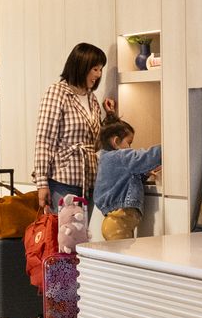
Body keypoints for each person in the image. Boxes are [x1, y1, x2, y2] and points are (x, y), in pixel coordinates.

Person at [32, 42, 116, 213]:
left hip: (89, 180)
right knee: (66, 230)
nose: (98, 74)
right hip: (63, 180)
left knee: (81, 230)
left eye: (100, 69)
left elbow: (96, 141)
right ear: (81, 66)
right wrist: (42, 183)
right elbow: (44, 140)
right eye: (95, 69)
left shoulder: (91, 98)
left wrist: (109, 116)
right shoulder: (57, 93)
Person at [93, 120, 161, 241]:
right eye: (129, 143)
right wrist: (166, 148)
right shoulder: (120, 156)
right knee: (121, 252)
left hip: (114, 223)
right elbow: (144, 158)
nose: (130, 147)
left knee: (122, 251)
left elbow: (126, 181)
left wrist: (144, 174)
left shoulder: (107, 159)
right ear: (116, 141)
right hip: (118, 223)